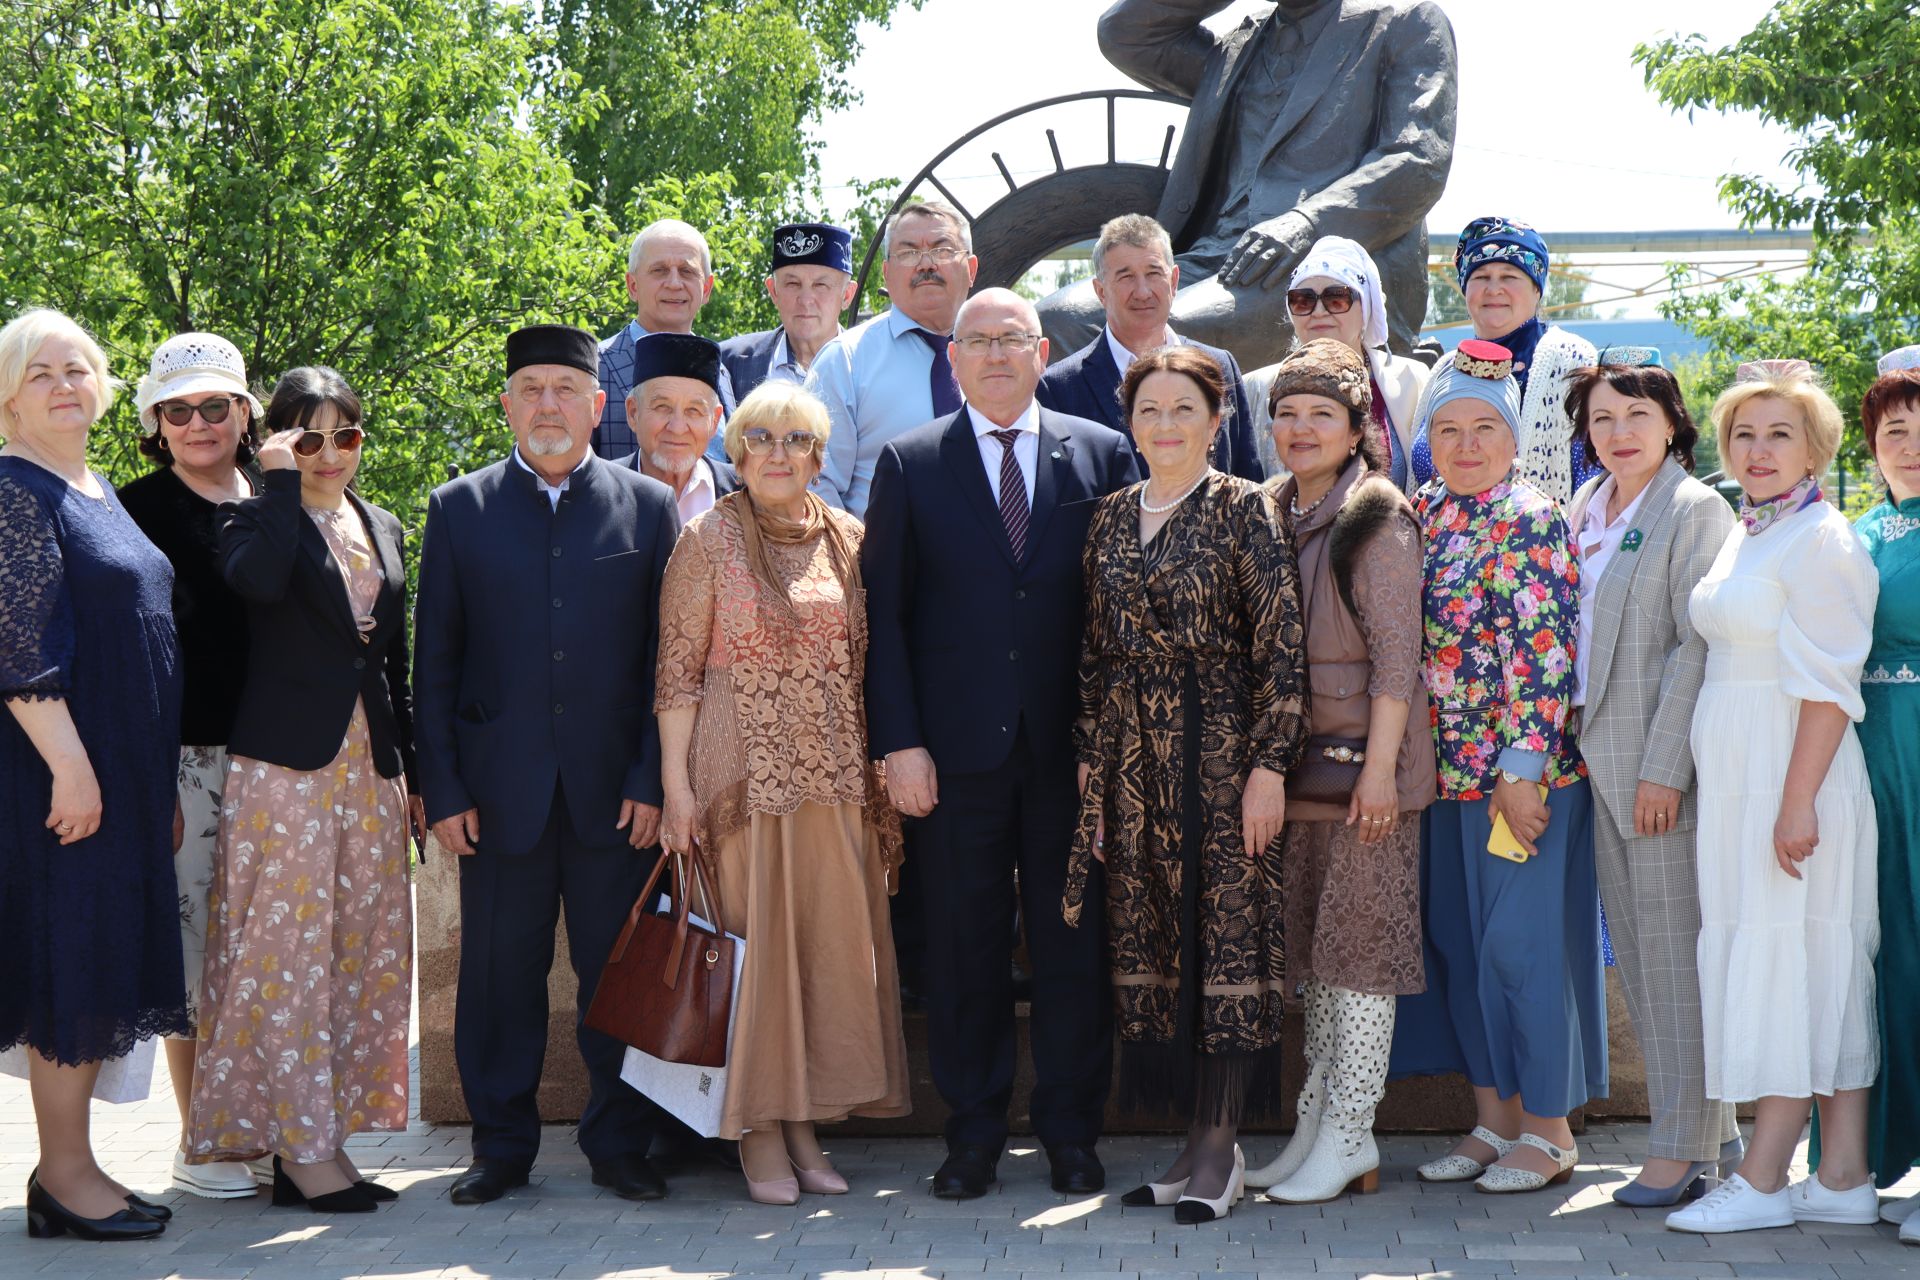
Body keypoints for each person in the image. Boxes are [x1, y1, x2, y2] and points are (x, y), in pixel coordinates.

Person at [862, 288, 1137, 1200]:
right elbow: (886, 622)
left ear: (1040, 349)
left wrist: (1112, 744)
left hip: (1073, 756)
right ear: (954, 360)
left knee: (1071, 949)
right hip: (952, 757)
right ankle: (971, 1133)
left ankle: (1071, 1131)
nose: (992, 355)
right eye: (974, 341)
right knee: (963, 948)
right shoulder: (910, 464)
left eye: (1009, 340)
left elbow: (1116, 614)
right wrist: (900, 744)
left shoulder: (1100, 452)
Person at [413, 325, 681, 1206]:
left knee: (619, 978)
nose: (548, 404)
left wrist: (651, 777)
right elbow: (436, 665)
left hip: (616, 799)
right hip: (498, 800)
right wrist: (443, 788)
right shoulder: (459, 507)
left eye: (566, 388)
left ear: (599, 406)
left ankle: (619, 1143)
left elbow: (664, 662)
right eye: (529, 388)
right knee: (498, 978)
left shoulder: (646, 507)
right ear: (508, 405)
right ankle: (499, 1147)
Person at [654, 382, 910, 1205]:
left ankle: (804, 1126)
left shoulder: (848, 538)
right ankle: (758, 1132)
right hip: (741, 784)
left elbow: (871, 660)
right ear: (736, 451)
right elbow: (676, 677)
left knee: (820, 956)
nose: (776, 452)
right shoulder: (705, 540)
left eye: (795, 438)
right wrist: (675, 791)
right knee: (756, 957)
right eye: (759, 437)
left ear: (818, 455)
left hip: (832, 780)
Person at [1067, 344, 1305, 1223]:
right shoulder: (1107, 517)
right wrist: (1094, 764)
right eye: (1148, 411)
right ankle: (1189, 1140)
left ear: (1216, 420)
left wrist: (1268, 769)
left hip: (1221, 748)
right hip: (1133, 764)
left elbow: (1281, 648)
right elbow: (1092, 654)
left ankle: (1220, 1147)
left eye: (1182, 410)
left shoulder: (1246, 509)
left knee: (1227, 944)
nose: (1163, 426)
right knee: (1159, 942)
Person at [185, 367, 419, 1214]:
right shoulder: (249, 516)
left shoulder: (383, 522)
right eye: (307, 437)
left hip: (370, 770)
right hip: (283, 771)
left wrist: (415, 774)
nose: (330, 454)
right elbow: (257, 584)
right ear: (275, 440)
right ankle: (297, 1148)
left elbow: (391, 662)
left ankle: (324, 1142)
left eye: (345, 435)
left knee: (360, 954)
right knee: (283, 960)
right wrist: (278, 481)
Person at [1665, 362, 1881, 1235]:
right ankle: (1841, 1176)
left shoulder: (1822, 539)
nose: (1757, 451)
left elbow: (1831, 684)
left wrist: (1798, 802)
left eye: (1778, 434)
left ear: (1817, 449)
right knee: (1800, 957)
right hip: (1739, 777)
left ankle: (1762, 1177)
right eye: (1744, 435)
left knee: (1802, 955)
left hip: (1796, 771)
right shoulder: (1750, 531)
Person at [1388, 341, 1605, 1195]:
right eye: (1448, 429)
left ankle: (1549, 1130)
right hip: (1442, 782)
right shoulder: (1425, 510)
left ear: (1516, 439)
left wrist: (1522, 767)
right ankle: (1493, 1120)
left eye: (1485, 428)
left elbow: (1547, 653)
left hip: (1520, 782)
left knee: (1521, 951)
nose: (1466, 445)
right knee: (1459, 950)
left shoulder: (1530, 514)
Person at [0, 308, 187, 1241]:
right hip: (65, 776)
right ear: (7, 397)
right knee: (71, 967)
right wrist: (73, 773)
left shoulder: (96, 487)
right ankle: (63, 1176)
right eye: (41, 373)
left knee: (103, 956)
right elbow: (19, 651)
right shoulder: (14, 493)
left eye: (80, 367)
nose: (66, 383)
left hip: (125, 775)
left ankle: (73, 1168)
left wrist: (151, 790)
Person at [1244, 340, 1434, 1203]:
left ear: (1358, 426)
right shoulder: (1273, 506)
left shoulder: (1376, 514)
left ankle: (1354, 1130)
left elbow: (1399, 659)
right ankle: (1317, 1125)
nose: (1301, 427)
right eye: (1287, 412)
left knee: (1357, 957)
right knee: (1317, 962)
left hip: (1365, 773)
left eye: (1322, 413)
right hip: (1296, 770)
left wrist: (1382, 773)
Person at [1038, 0, 1457, 366]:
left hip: (1315, 273)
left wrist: (1304, 223)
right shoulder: (1239, 46)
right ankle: (1106, 455)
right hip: (1210, 258)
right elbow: (1125, 32)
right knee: (1058, 322)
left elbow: (1418, 161)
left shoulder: (1402, 26)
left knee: (1161, 331)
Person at [1561, 359, 1741, 1207]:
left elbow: (1694, 646)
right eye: (1601, 419)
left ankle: (1677, 1151)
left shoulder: (1694, 508)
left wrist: (1667, 768)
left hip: (1658, 772)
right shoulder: (1585, 509)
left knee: (1672, 963)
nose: (1619, 432)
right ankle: (1722, 1135)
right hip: (1597, 758)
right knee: (1642, 957)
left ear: (1672, 422)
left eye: (1637, 414)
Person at [116, 333, 266, 1202]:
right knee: (200, 959)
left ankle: (268, 1122)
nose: (200, 423)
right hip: (185, 761)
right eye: (180, 410)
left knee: (271, 950)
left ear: (245, 411)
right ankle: (201, 1140)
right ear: (154, 423)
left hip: (286, 760)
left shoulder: (284, 494)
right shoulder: (131, 510)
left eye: (216, 405)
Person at [1035, 214, 1262, 480]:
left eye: (1154, 273)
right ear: (1101, 292)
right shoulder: (1060, 388)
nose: (1142, 291)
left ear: (1174, 281)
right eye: (1126, 276)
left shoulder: (1220, 367)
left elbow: (1248, 478)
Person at [1854, 347, 1920, 1239]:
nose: (1908, 444)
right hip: (1864, 757)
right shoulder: (1860, 528)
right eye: (1893, 430)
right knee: (1884, 952)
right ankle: (1866, 1155)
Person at [1410, 218, 1599, 504]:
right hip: (1441, 541)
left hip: (1541, 540)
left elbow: (1594, 474)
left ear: (1537, 288)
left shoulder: (1572, 359)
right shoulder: (1445, 370)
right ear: (1465, 289)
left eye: (1510, 276)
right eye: (1481, 276)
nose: (1493, 289)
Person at [807, 200, 978, 517]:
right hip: (877, 561)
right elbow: (818, 486)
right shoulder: (845, 361)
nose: (925, 265)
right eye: (909, 253)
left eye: (941, 250)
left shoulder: (1003, 355)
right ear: (886, 272)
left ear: (971, 269)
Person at [1244, 236, 1433, 488]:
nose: (1319, 312)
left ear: (1365, 307)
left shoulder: (1413, 380)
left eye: (1336, 299)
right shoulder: (1255, 387)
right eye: (1303, 300)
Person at [595, 218, 736, 459]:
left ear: (707, 289)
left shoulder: (720, 371)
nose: (674, 283)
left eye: (687, 271)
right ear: (632, 285)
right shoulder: (595, 368)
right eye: (659, 271)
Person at [720, 222, 859, 399]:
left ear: (847, 295)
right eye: (793, 284)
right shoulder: (730, 363)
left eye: (821, 285)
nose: (806, 300)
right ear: (773, 291)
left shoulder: (869, 369)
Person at [618, 332, 739, 522]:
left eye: (693, 410)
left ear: (714, 421)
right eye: (662, 407)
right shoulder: (597, 494)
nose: (677, 428)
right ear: (633, 412)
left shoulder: (745, 494)